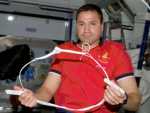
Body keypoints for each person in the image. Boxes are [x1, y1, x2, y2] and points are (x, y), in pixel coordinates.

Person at [14, 4, 141, 113]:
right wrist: (34, 98)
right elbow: (47, 90)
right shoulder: (64, 51)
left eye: (92, 23)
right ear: (77, 27)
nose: (86, 29)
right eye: (81, 24)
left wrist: (122, 99)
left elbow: (134, 101)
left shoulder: (116, 52)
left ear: (102, 27)